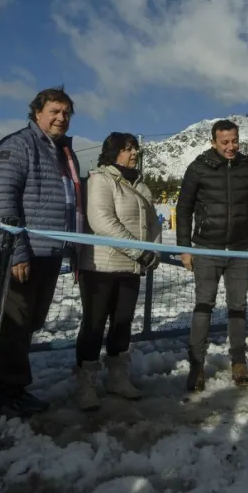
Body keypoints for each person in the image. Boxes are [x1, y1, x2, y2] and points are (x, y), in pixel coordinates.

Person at [0, 87, 86, 418]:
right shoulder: (18, 146)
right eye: (55, 111)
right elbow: (4, 202)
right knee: (13, 323)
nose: (61, 118)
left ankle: (14, 387)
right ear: (37, 113)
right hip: (23, 253)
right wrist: (17, 253)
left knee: (29, 322)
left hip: (50, 251)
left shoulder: (61, 152)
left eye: (67, 113)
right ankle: (5, 394)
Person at [74, 132, 162, 410]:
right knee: (94, 323)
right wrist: (141, 251)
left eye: (135, 148)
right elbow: (102, 221)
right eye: (127, 149)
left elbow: (153, 224)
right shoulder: (100, 180)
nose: (134, 153)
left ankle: (117, 377)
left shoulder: (141, 186)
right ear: (112, 153)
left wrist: (154, 251)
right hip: (100, 266)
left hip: (131, 267)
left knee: (123, 322)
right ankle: (86, 383)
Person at [175, 119, 248, 392]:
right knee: (204, 306)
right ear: (213, 142)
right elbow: (184, 208)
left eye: (234, 141)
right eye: (224, 142)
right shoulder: (198, 168)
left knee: (238, 307)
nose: (231, 147)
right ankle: (197, 365)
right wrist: (184, 248)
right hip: (206, 248)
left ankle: (238, 362)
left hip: (240, 249)